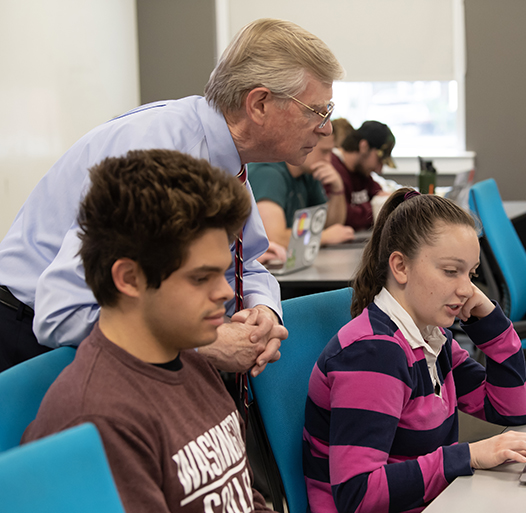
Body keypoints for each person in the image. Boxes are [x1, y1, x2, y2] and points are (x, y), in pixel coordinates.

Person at [21, 150, 427, 513]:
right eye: (201, 278)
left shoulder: (191, 361)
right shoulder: (99, 420)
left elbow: (243, 507)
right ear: (128, 278)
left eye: (223, 273)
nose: (225, 294)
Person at [0, 18, 344, 373]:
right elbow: (66, 311)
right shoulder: (157, 153)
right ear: (258, 104)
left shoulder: (223, 157)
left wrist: (263, 311)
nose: (327, 128)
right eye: (318, 111)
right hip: (29, 336)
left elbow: (243, 264)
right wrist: (202, 344)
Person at [303, 189, 526, 513]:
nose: (466, 289)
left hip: (430, 511)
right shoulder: (375, 354)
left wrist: (488, 320)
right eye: (451, 271)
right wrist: (467, 456)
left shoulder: (431, 341)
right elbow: (357, 495)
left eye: (472, 274)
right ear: (401, 266)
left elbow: (509, 409)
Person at [248, 129, 354, 255]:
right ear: (306, 144)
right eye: (324, 151)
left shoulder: (307, 174)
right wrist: (323, 237)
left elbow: (331, 225)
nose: (328, 160)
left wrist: (337, 189)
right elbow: (274, 238)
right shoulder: (269, 173)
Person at [331, 120, 394, 230]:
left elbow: (382, 196)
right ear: (364, 146)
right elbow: (345, 217)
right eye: (379, 159)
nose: (380, 169)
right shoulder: (333, 169)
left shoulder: (361, 172)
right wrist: (374, 208)